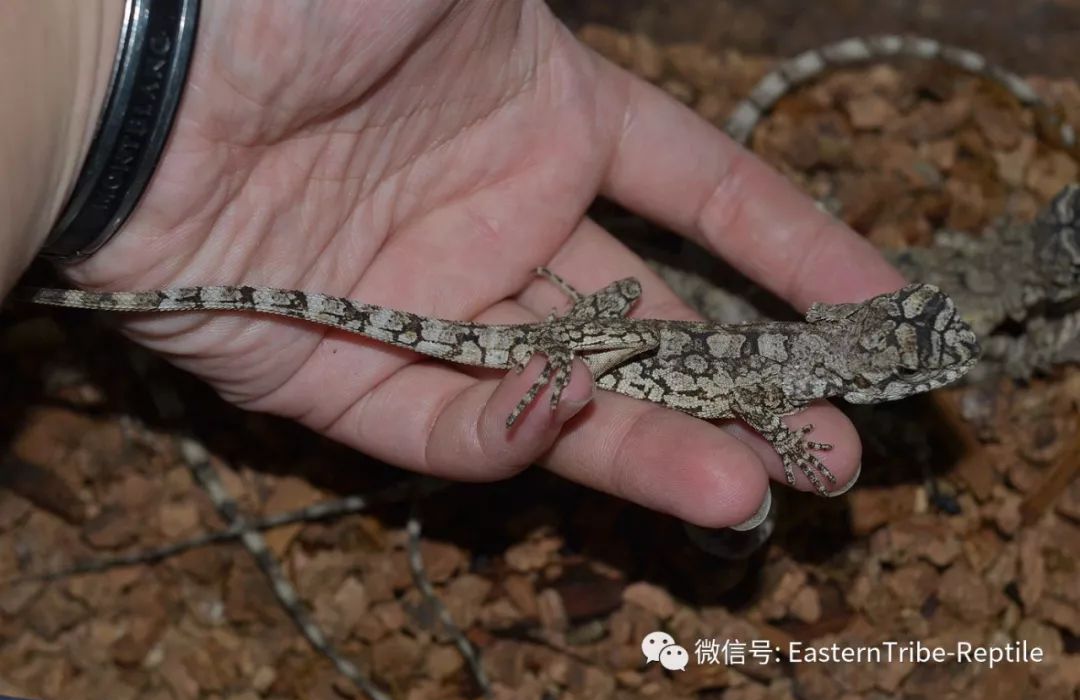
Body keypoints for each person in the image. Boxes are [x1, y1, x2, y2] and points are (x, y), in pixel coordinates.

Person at [1, 1, 904, 530]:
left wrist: (108, 88)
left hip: (592, 344)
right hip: (582, 347)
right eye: (904, 360)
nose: (913, 373)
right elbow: (748, 395)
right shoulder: (791, 371)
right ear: (858, 357)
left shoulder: (805, 354)